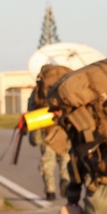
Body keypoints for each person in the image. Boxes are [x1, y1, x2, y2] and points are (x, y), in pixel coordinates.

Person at [27, 63, 72, 201]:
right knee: (65, 158)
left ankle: (50, 191)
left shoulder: (38, 90)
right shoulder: (66, 86)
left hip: (46, 129)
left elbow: (31, 108)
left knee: (47, 162)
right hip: (65, 129)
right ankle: (65, 180)